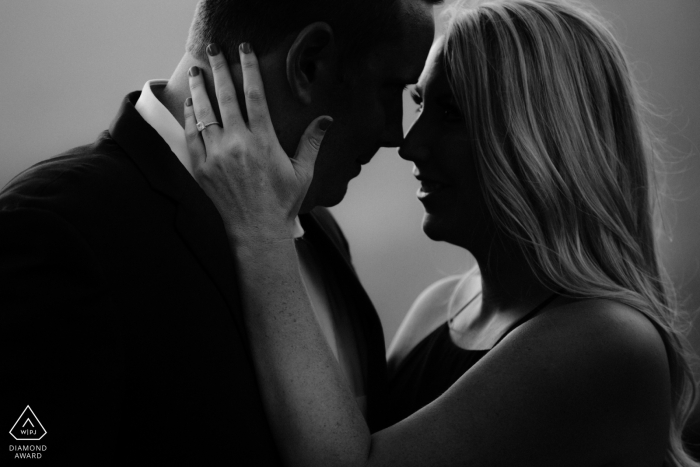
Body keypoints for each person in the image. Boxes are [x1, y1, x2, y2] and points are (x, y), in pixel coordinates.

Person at [186, 0, 700, 465]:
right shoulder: (439, 308)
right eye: (418, 103)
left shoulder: (608, 340)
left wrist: (263, 233)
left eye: (451, 113)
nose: (409, 145)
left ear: (538, 139)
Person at [0, 0, 438, 463]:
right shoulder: (55, 230)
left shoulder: (319, 230)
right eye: (391, 89)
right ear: (308, 63)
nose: (397, 136)